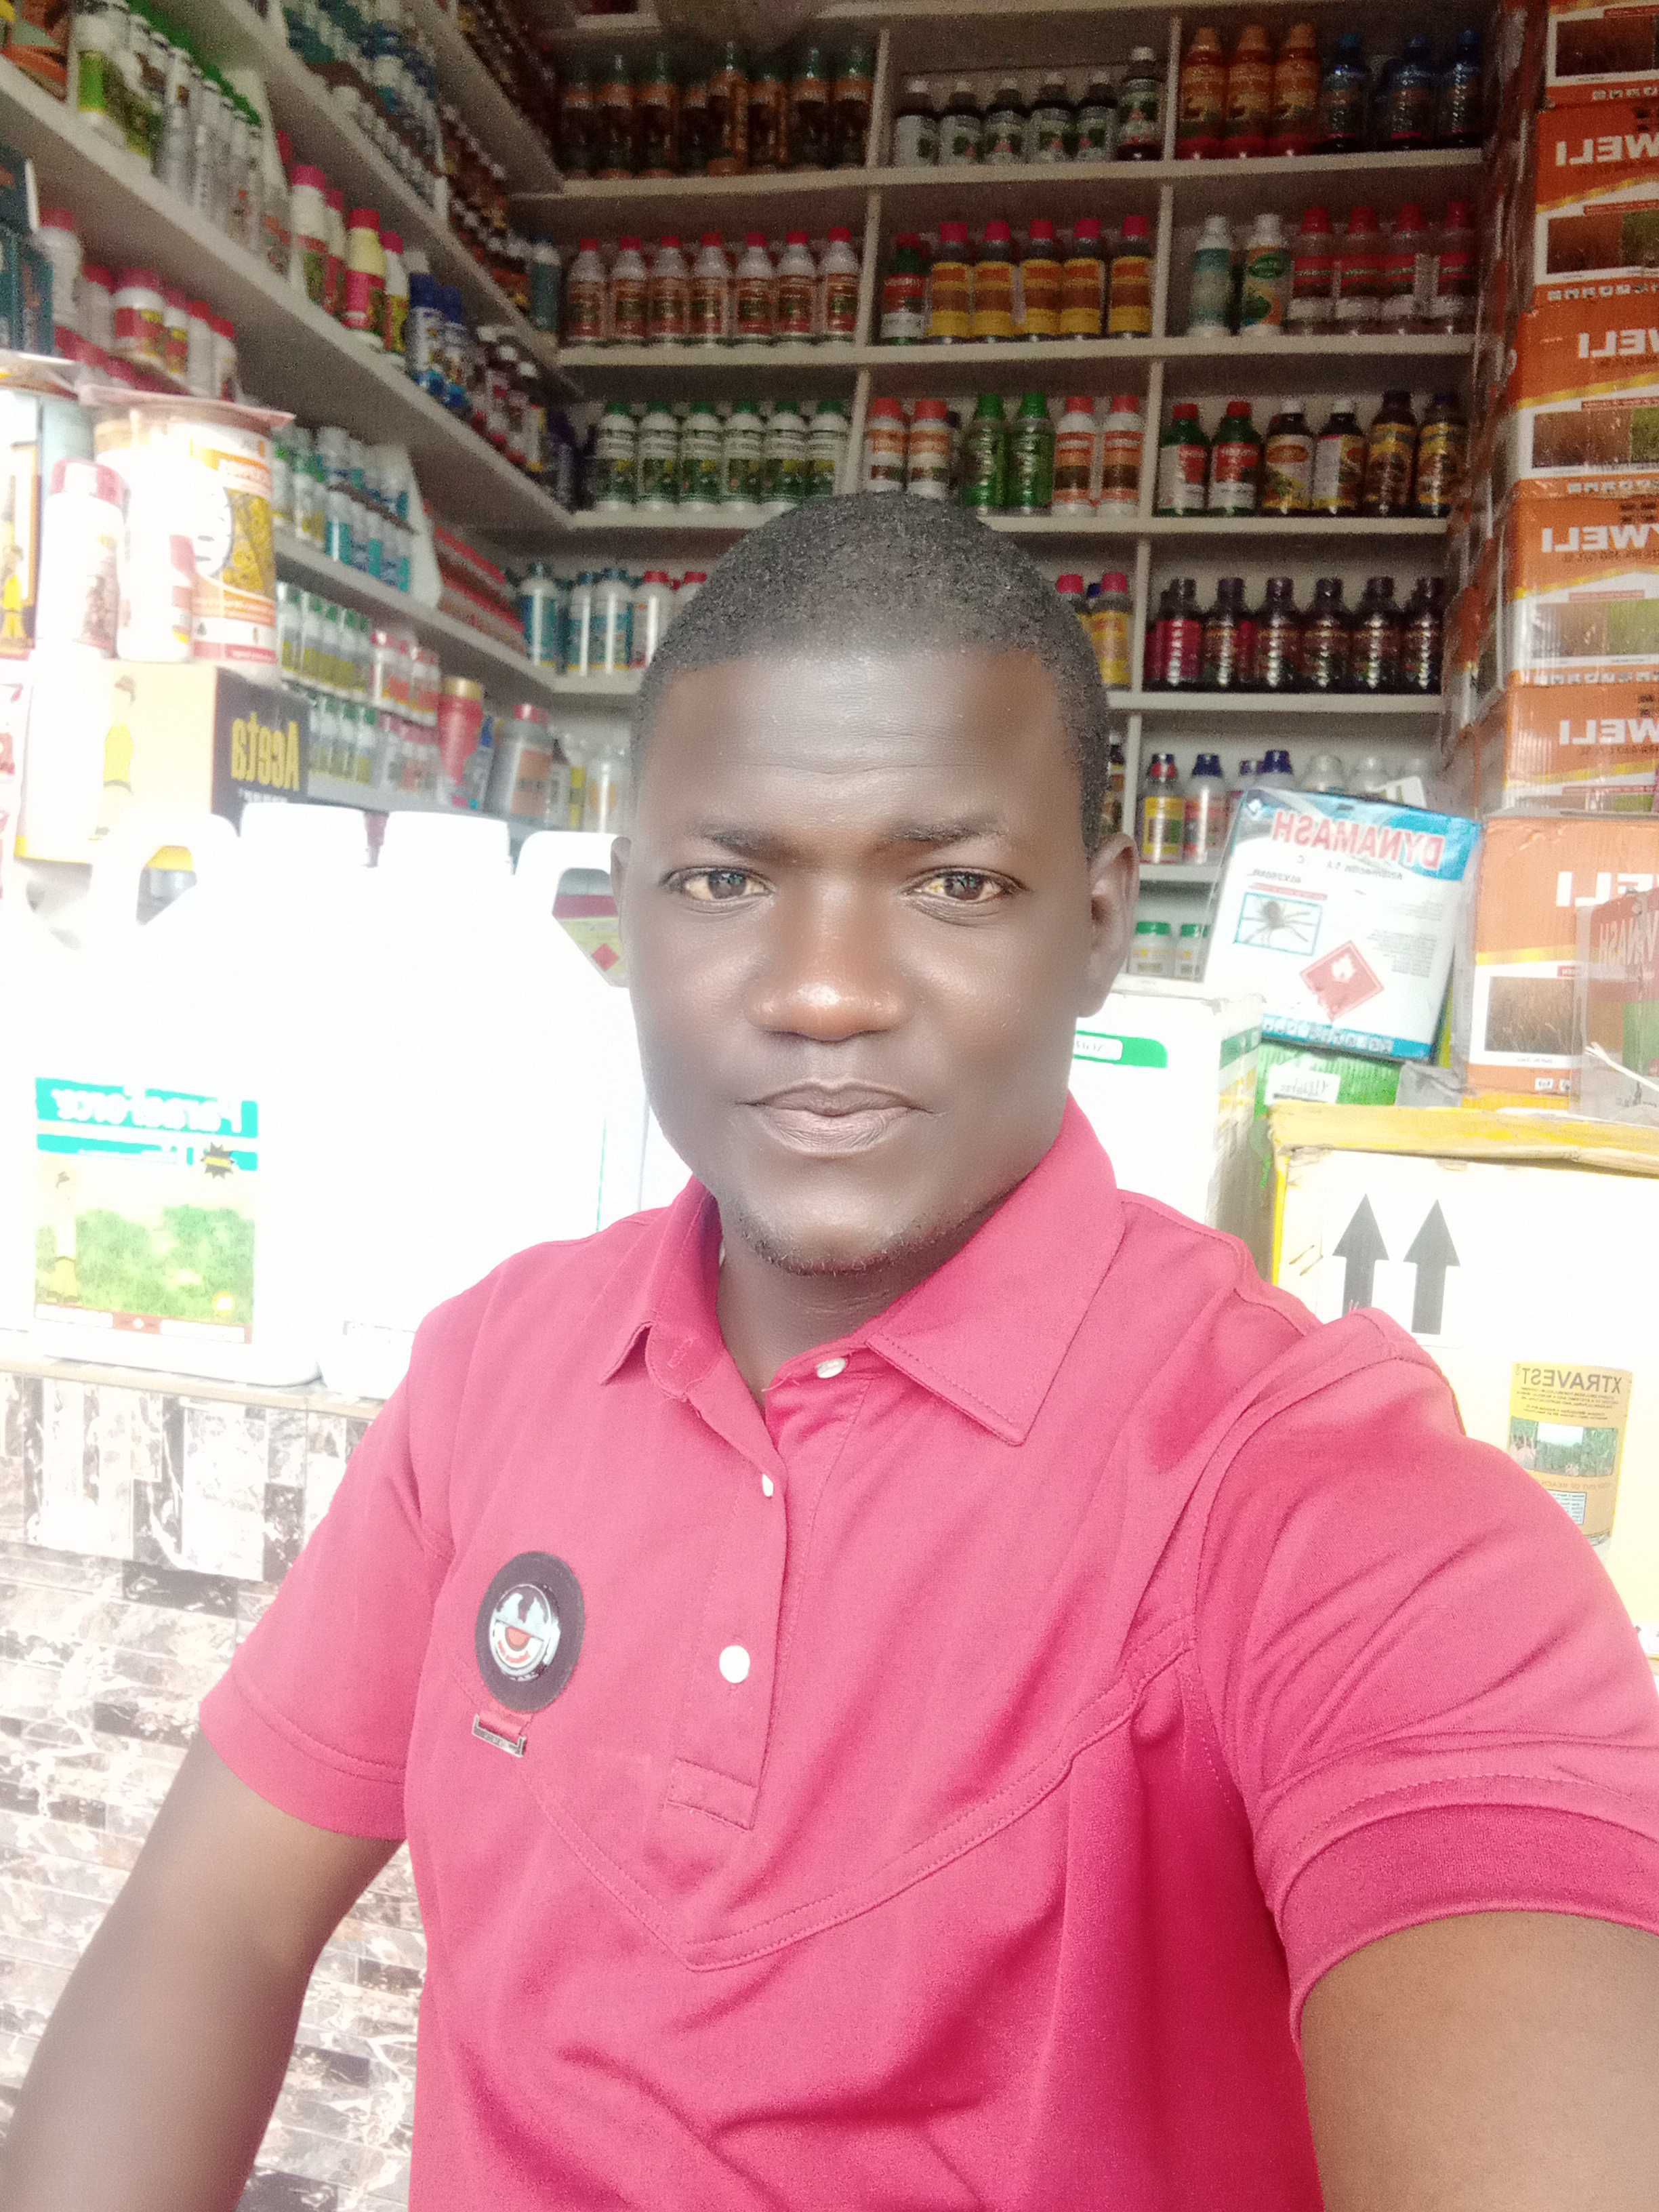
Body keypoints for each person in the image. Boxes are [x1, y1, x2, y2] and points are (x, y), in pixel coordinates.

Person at [7, 497, 1659, 2209]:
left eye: (953, 883)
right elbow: (211, 1920)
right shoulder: (498, 1367)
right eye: (728, 881)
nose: (823, 992)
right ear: (623, 914)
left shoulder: (1319, 1502)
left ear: (1100, 925)